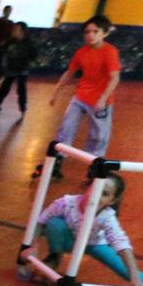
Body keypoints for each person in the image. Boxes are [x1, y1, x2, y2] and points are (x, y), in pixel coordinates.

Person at [39, 14, 121, 179]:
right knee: (66, 128)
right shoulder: (82, 52)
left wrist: (103, 98)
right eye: (87, 32)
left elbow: (114, 78)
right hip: (81, 97)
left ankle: (94, 166)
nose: (90, 35)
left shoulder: (110, 52)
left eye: (95, 31)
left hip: (100, 102)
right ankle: (57, 162)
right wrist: (56, 92)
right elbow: (69, 73)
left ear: (104, 34)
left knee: (98, 136)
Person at [0, 21, 36, 114]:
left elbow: (33, 55)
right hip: (11, 69)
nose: (13, 31)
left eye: (16, 29)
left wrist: (25, 60)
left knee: (21, 88)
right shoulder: (10, 42)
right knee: (5, 87)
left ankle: (22, 105)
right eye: (14, 29)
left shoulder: (28, 43)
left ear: (22, 31)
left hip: (22, 70)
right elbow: (2, 49)